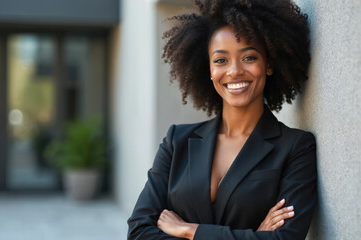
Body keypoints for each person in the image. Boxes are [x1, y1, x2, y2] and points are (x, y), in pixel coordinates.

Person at [127, 0, 317, 239]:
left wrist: (189, 230)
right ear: (208, 69)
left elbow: (285, 238)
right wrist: (252, 235)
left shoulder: (296, 147)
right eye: (221, 60)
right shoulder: (177, 141)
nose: (234, 70)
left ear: (268, 64)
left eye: (249, 57)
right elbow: (139, 231)